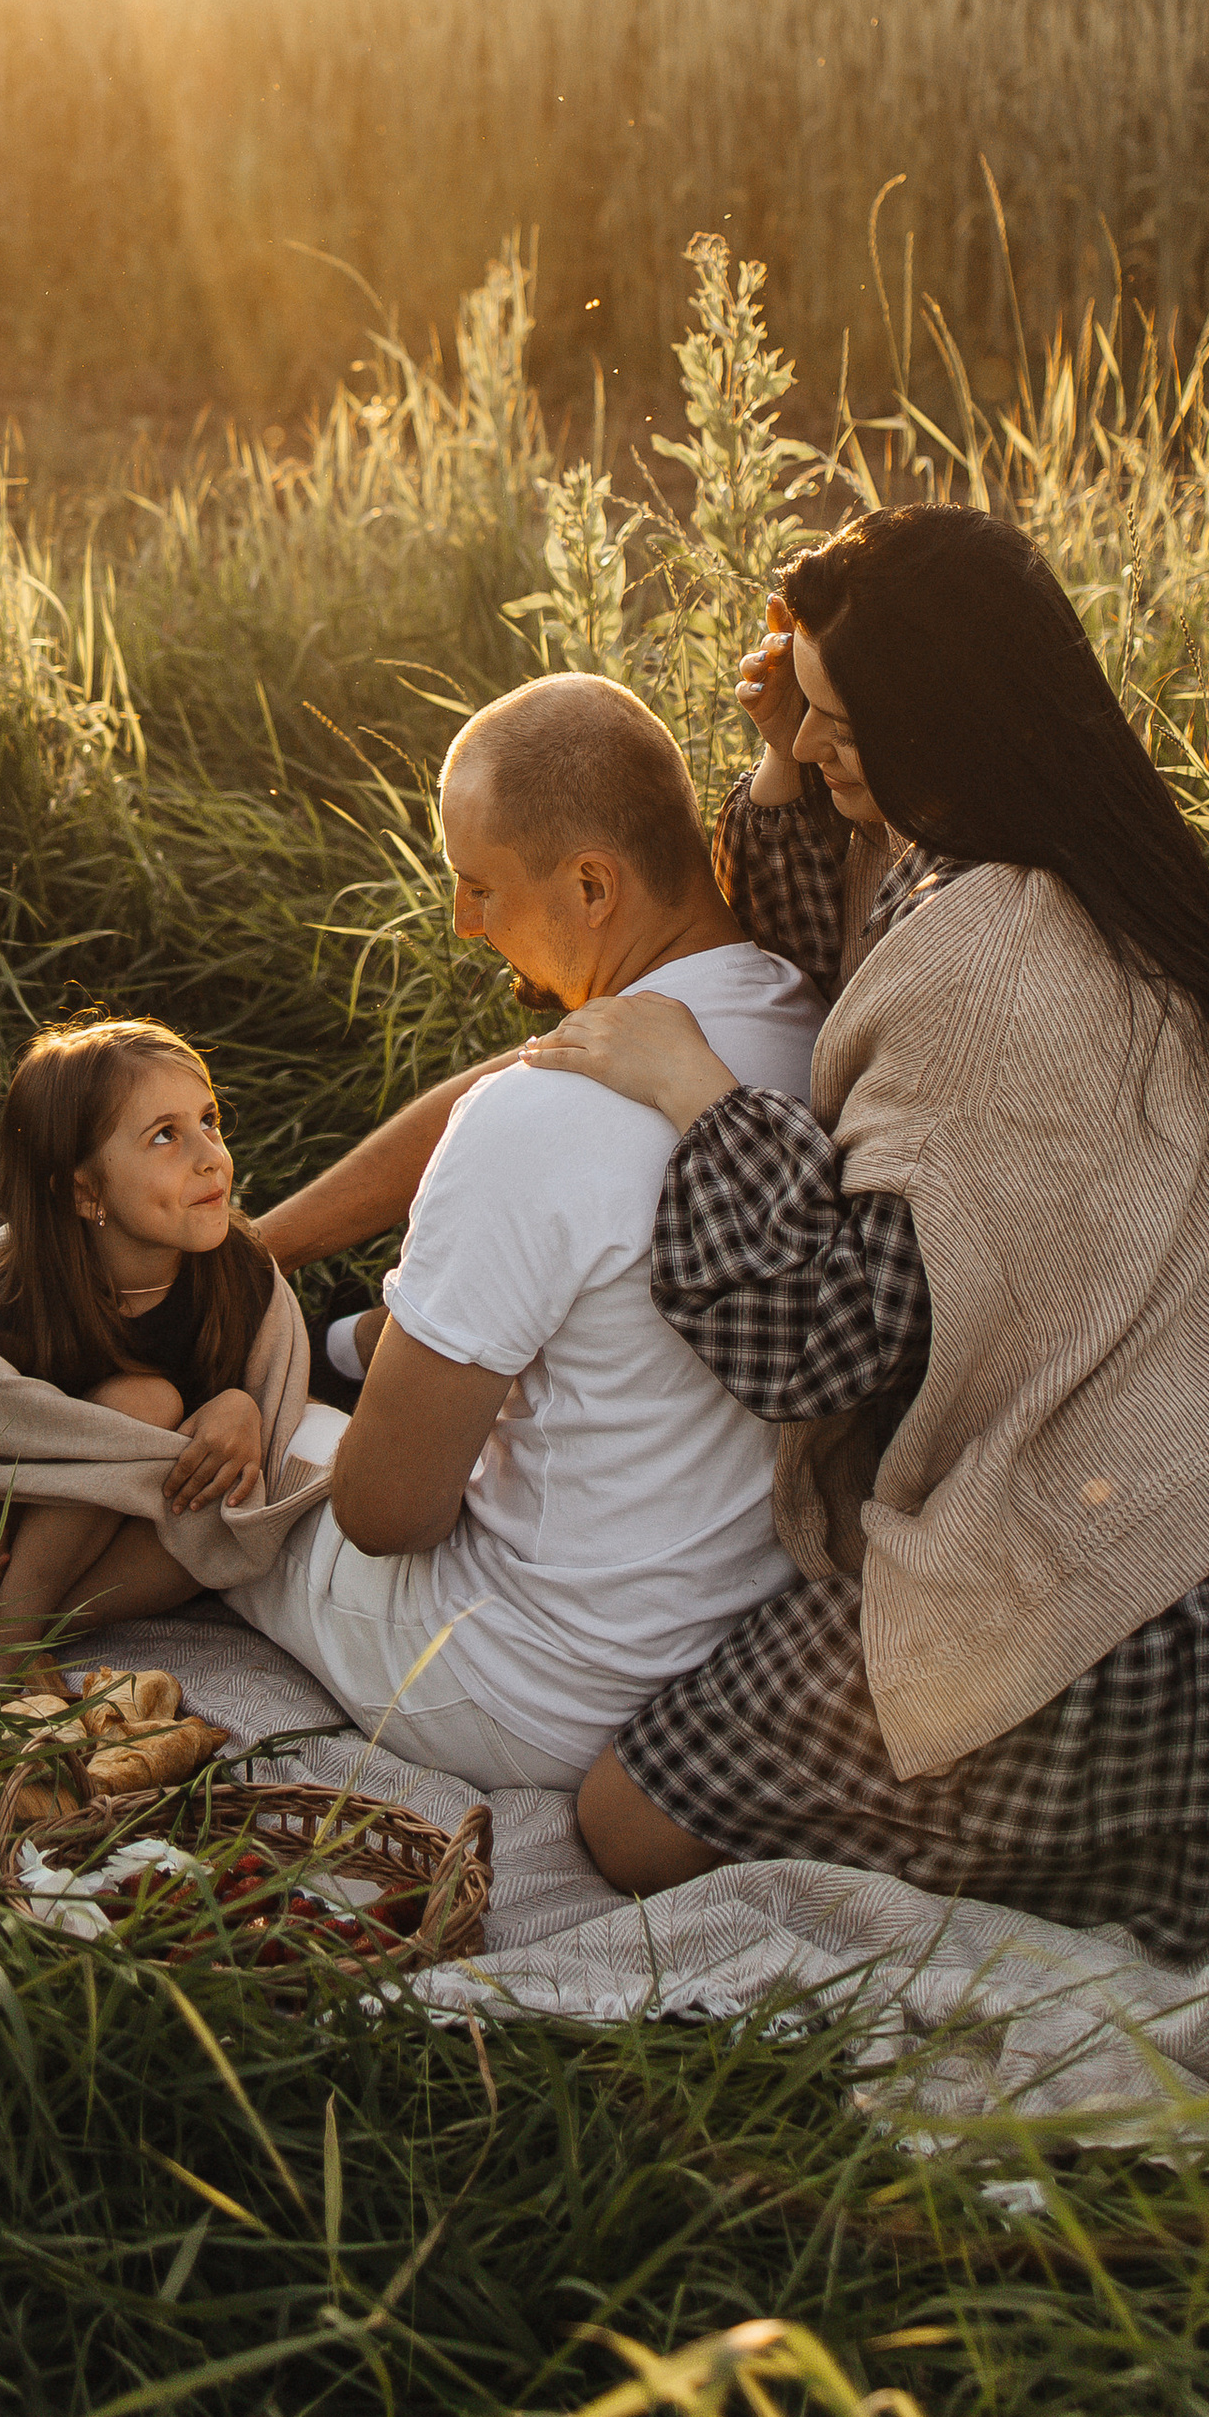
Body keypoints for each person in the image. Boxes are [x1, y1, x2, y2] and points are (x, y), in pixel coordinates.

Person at [517, 507, 1209, 1959]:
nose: (821, 744)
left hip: (1115, 1604)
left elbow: (820, 1346)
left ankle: (1130, 1839)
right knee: (684, 1784)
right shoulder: (1067, 848)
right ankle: (1132, 1829)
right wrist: (791, 752)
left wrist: (701, 1095)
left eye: (847, 724)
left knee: (625, 1820)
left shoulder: (990, 967)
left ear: (941, 723)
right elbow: (832, 945)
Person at [233, 672, 824, 1789]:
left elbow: (385, 1512)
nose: (463, 922)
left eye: (477, 886)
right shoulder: (806, 1020)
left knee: (215, 1451)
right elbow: (508, 1081)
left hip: (525, 1685)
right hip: (722, 1655)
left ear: (592, 884)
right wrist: (261, 1244)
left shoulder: (537, 1124)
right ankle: (339, 1338)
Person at [0, 1018, 316, 1679]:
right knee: (145, 1400)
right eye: (166, 1135)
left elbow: (265, 1428)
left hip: (126, 1532)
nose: (211, 1154)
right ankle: (1, 1633)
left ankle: (4, 1639)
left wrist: (241, 1406)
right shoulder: (7, 1305)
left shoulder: (238, 1277)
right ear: (86, 1191)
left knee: (216, 1523)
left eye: (209, 1120)